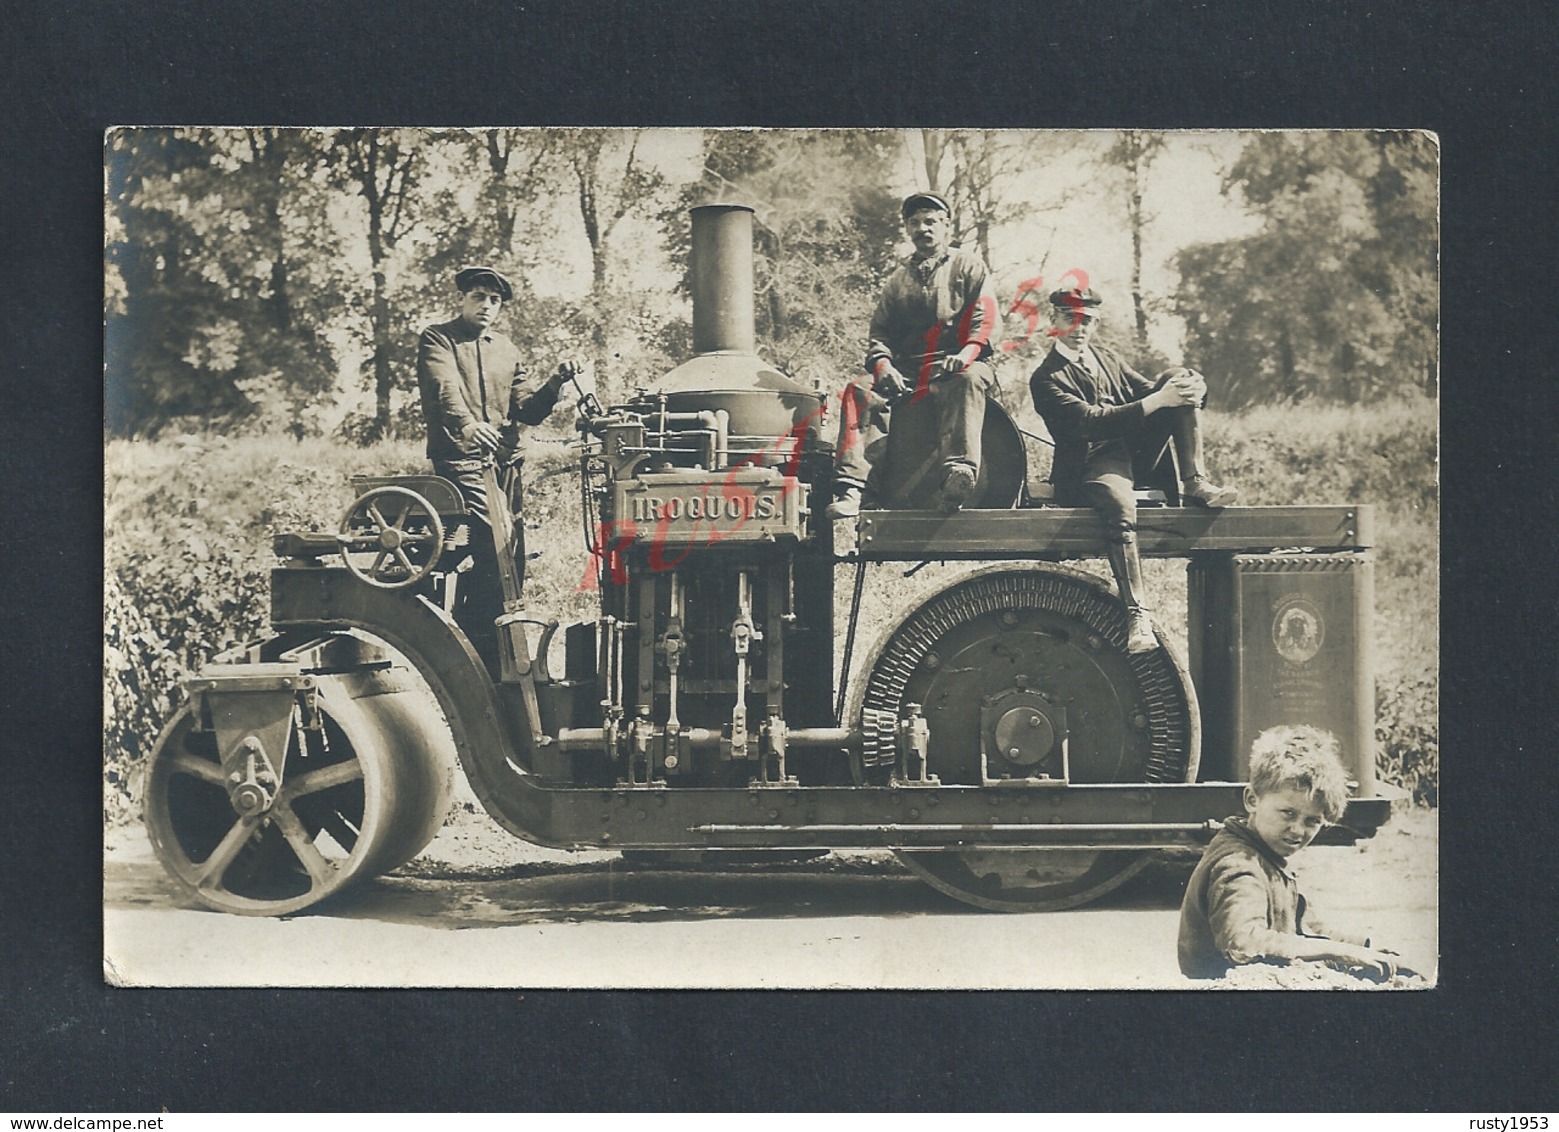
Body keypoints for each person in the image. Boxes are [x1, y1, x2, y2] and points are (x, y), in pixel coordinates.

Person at [1028, 286, 1235, 653]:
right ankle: (1137, 615)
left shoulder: (1107, 358)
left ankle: (1195, 481)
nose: (1079, 328)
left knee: (1177, 374)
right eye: (1070, 319)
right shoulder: (1046, 377)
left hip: (1133, 454)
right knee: (1119, 503)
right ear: (1054, 321)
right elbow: (1090, 423)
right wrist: (1160, 398)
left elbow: (1153, 395)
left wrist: (1193, 391)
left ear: (1096, 323)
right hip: (1090, 463)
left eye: (1087, 320)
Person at [415, 264, 582, 670]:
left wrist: (555, 382)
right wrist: (468, 425)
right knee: (498, 539)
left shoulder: (506, 350)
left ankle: (484, 643)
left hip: (506, 463)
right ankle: (477, 649)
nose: (487, 306)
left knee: (512, 557)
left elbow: (527, 411)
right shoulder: (439, 338)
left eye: (494, 301)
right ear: (463, 299)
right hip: (461, 459)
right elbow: (444, 389)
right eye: (479, 297)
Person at [1177, 725, 1402, 982]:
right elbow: (1243, 942)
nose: (1297, 830)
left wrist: (1364, 946)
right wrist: (1342, 952)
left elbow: (1308, 929)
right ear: (1252, 799)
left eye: (1312, 821)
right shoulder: (1239, 865)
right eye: (1288, 813)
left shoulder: (1268, 856)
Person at [826, 192, 998, 518]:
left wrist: (966, 354)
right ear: (907, 229)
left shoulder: (969, 267)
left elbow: (984, 320)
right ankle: (852, 487)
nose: (923, 229)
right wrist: (883, 364)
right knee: (860, 390)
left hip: (959, 362)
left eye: (931, 221)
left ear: (946, 226)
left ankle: (958, 474)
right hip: (907, 370)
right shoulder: (897, 279)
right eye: (915, 223)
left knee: (969, 379)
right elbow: (880, 333)